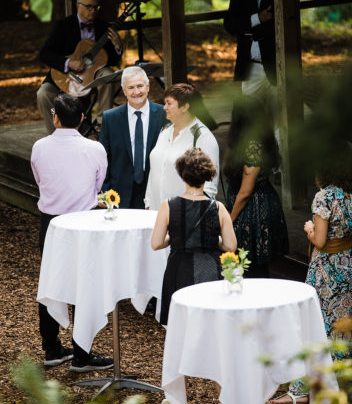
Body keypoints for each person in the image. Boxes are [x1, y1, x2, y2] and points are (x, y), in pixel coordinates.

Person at [31, 93, 113, 372]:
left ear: (55, 117)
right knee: (86, 285)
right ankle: (82, 352)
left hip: (51, 223)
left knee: (51, 282)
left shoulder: (39, 147)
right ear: (81, 118)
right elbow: (98, 183)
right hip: (83, 221)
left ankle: (52, 348)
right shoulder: (95, 149)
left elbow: (39, 179)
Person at [267, 148, 352, 404]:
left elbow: (321, 240)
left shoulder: (323, 197)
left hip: (326, 270)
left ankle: (301, 391)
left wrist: (309, 229)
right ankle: (340, 382)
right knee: (342, 328)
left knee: (316, 326)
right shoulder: (349, 195)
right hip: (347, 265)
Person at [152, 147, 237, 325]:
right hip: (210, 269)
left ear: (182, 176)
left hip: (179, 268)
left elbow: (156, 243)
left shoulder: (168, 205)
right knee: (210, 321)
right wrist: (214, 239)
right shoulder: (218, 207)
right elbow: (230, 246)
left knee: (181, 322)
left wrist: (175, 237)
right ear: (207, 176)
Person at [37, 0, 123, 133]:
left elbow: (111, 60)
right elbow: (45, 54)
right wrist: (69, 63)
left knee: (108, 74)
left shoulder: (103, 27)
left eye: (96, 7)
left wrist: (117, 46)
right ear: (78, 6)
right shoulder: (63, 26)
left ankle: (103, 127)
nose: (93, 11)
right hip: (66, 76)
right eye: (89, 7)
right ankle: (57, 133)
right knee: (43, 93)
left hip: (93, 76)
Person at [223, 97, 289, 277]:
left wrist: (229, 219)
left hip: (253, 209)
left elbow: (246, 191)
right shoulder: (250, 141)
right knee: (246, 265)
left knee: (250, 265)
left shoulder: (253, 145)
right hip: (250, 205)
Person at [99, 66, 166, 209]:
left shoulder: (164, 114)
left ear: (148, 87)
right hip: (119, 192)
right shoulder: (110, 118)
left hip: (154, 189)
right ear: (124, 91)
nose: (136, 92)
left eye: (140, 86)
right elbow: (103, 158)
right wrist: (105, 193)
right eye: (130, 88)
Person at [144, 83, 219, 211]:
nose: (164, 107)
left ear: (184, 107)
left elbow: (209, 187)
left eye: (169, 103)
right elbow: (155, 169)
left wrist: (190, 216)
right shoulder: (165, 131)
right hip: (156, 213)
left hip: (184, 216)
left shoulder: (202, 137)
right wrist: (148, 203)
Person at [224, 0, 277, 122]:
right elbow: (230, 26)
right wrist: (258, 19)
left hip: (277, 65)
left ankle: (281, 150)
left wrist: (248, 28)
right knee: (249, 117)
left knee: (279, 115)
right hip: (251, 67)